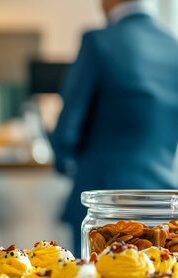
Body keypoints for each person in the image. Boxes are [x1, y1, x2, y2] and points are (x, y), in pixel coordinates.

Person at [50, 0, 178, 254]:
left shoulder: (98, 41)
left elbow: (68, 126)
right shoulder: (173, 45)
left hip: (105, 202)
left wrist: (64, 162)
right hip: (163, 203)